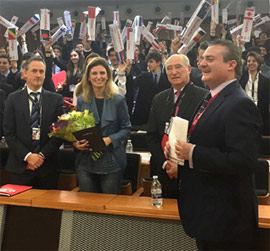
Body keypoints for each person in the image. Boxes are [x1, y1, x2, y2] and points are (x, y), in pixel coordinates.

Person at [165, 39, 262, 250]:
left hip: (228, 220)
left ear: (231, 64)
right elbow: (207, 146)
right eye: (201, 59)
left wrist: (193, 153)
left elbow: (243, 162)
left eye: (210, 59)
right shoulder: (210, 97)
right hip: (208, 215)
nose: (201, 64)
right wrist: (179, 158)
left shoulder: (240, 103)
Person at [147, 54, 208, 198]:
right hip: (165, 172)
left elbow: (204, 137)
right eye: (169, 68)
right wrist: (165, 163)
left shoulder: (204, 97)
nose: (174, 72)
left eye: (178, 67)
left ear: (189, 69)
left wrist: (180, 167)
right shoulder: (159, 99)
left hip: (192, 173)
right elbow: (152, 135)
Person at [3, 56, 64, 189]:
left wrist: (40, 156)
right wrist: (28, 156)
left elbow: (60, 133)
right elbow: (9, 132)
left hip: (47, 166)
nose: (38, 75)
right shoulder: (13, 98)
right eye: (34, 71)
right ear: (24, 73)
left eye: (41, 71)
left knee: (47, 209)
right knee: (19, 210)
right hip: (20, 166)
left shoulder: (56, 100)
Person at [73, 57, 131, 194]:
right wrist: (76, 143)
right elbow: (76, 128)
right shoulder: (81, 100)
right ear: (88, 77)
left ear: (108, 76)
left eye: (102, 73)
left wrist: (110, 139)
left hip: (111, 160)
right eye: (94, 73)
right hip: (86, 160)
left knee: (108, 205)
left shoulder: (119, 100)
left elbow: (126, 128)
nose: (98, 77)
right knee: (87, 204)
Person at [131, 51, 171, 127]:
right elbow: (132, 84)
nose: (148, 64)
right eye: (148, 62)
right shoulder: (143, 76)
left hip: (161, 113)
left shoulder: (166, 78)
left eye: (151, 62)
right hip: (144, 115)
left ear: (158, 63)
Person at [240, 51, 269, 135]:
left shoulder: (265, 80)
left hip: (260, 111)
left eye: (254, 61)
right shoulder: (241, 77)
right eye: (249, 61)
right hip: (244, 110)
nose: (251, 63)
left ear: (258, 63)